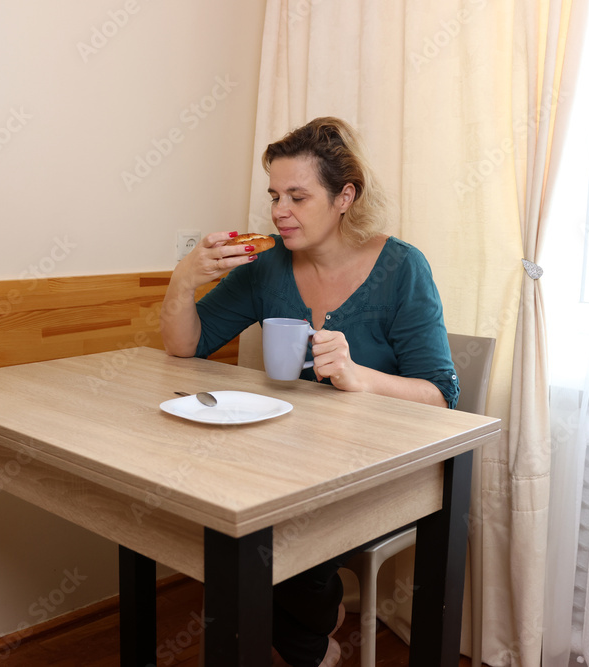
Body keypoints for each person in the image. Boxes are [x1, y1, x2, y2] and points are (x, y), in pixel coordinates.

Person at [160, 117, 459, 666]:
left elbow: (441, 396)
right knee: (225, 518)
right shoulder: (267, 264)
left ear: (345, 197)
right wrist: (184, 278)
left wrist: (358, 377)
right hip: (289, 463)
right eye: (275, 196)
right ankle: (316, 634)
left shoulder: (402, 268)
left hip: (378, 471)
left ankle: (312, 639)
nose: (280, 211)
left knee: (272, 539)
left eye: (298, 197)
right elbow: (187, 346)